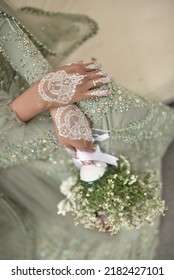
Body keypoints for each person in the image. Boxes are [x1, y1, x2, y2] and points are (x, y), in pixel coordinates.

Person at [0, 0, 174, 260]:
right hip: (7, 146)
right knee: (88, 112)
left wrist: (57, 100)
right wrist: (46, 96)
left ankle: (112, 184)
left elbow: (4, 25)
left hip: (19, 95)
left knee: (95, 103)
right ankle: (97, 193)